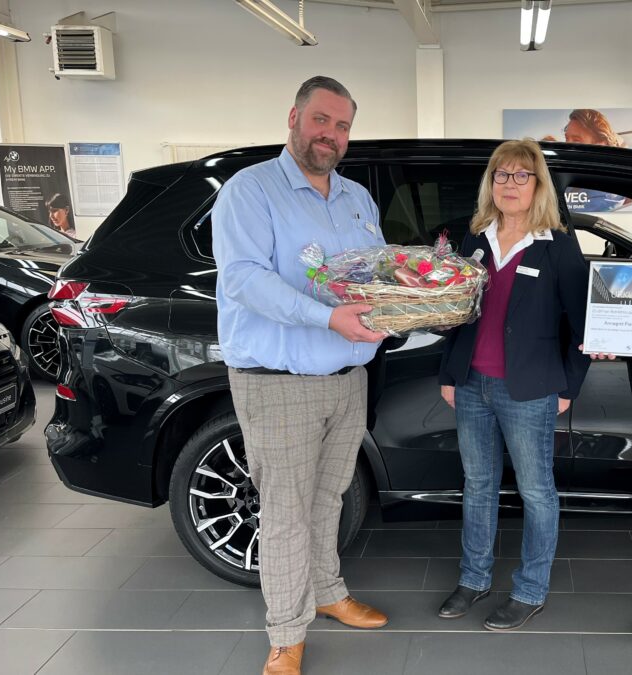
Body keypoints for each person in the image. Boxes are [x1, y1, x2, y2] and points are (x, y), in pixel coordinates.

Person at [212, 76, 390, 675]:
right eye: (321, 120)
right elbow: (244, 279)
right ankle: (286, 635)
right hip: (277, 379)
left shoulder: (357, 198)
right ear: (294, 117)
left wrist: (407, 303)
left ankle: (328, 592)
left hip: (347, 377)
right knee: (285, 512)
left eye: (342, 126)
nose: (330, 135)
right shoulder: (250, 190)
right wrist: (328, 317)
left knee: (329, 497)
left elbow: (375, 273)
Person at [437, 139, 591, 632]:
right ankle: (474, 578)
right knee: (478, 485)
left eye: (521, 175)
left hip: (529, 389)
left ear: (538, 184)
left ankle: (529, 590)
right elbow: (457, 313)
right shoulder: (475, 240)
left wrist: (568, 385)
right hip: (472, 383)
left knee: (536, 491)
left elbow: (583, 323)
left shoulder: (556, 244)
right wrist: (449, 373)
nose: (509, 184)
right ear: (491, 183)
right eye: (501, 174)